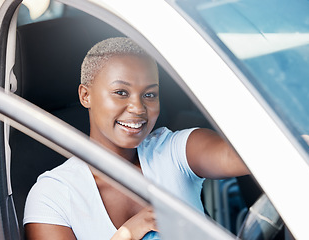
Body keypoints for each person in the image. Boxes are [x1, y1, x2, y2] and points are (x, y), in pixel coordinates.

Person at [23, 37, 250, 240]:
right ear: (86, 95)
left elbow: (252, 155)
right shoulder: (53, 196)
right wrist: (127, 234)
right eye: (121, 92)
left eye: (149, 94)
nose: (138, 108)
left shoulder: (174, 151)